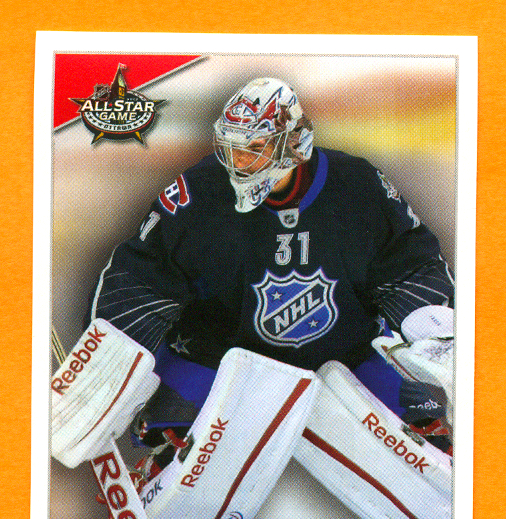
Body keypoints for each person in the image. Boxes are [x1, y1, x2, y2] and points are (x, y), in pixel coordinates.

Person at [86, 76, 454, 463]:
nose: (238, 163)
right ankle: (165, 460)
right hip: (222, 363)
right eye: (232, 148)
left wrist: (430, 324)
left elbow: (408, 262)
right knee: (173, 427)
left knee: (428, 424)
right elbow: (140, 280)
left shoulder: (356, 183)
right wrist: (110, 358)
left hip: (347, 359)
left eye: (254, 148)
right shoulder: (195, 193)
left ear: (295, 142)